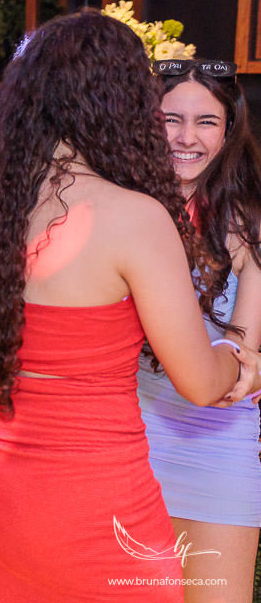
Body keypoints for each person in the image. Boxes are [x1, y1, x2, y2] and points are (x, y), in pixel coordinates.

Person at [0, 11, 260, 601]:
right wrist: (240, 361)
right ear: (121, 101)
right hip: (83, 495)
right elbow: (198, 382)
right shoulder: (134, 215)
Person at [137, 58, 261, 602]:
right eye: (171, 119)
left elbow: (243, 355)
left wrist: (248, 365)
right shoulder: (123, 211)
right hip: (126, 440)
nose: (187, 137)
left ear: (229, 131)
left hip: (219, 445)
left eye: (206, 121)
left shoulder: (249, 221)